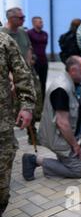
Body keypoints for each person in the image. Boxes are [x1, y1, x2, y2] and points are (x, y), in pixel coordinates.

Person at [22, 56, 81, 181]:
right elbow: (62, 124)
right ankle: (34, 160)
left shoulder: (78, 80)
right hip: (59, 135)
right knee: (78, 170)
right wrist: (75, 145)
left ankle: (78, 158)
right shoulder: (61, 89)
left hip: (78, 127)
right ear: (73, 70)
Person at [0, 32, 35, 217]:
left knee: (2, 174)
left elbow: (22, 73)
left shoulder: (4, 41)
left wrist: (27, 105)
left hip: (2, 124)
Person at [2, 8, 40, 145]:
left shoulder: (23, 32)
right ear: (11, 18)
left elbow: (29, 48)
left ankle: (33, 135)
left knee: (31, 102)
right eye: (21, 17)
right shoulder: (3, 35)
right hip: (10, 78)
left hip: (27, 73)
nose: (24, 20)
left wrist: (28, 66)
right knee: (13, 107)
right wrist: (13, 78)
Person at [27, 16, 48, 96]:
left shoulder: (45, 34)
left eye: (42, 22)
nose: (42, 24)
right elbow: (28, 47)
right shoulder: (29, 33)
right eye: (40, 22)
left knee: (43, 81)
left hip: (43, 60)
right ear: (34, 23)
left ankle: (43, 99)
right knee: (34, 81)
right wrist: (30, 59)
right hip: (34, 61)